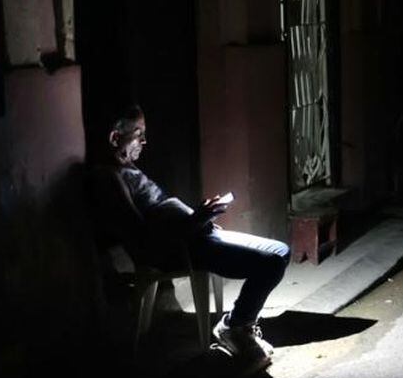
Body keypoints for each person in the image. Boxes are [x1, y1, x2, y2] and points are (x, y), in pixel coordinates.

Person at [90, 104, 289, 363]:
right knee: (271, 263)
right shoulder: (108, 177)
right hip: (182, 250)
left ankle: (239, 322)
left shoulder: (127, 168)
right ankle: (234, 326)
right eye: (139, 134)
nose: (145, 141)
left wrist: (201, 219)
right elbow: (145, 240)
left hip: (196, 235)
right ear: (115, 138)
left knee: (281, 251)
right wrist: (196, 220)